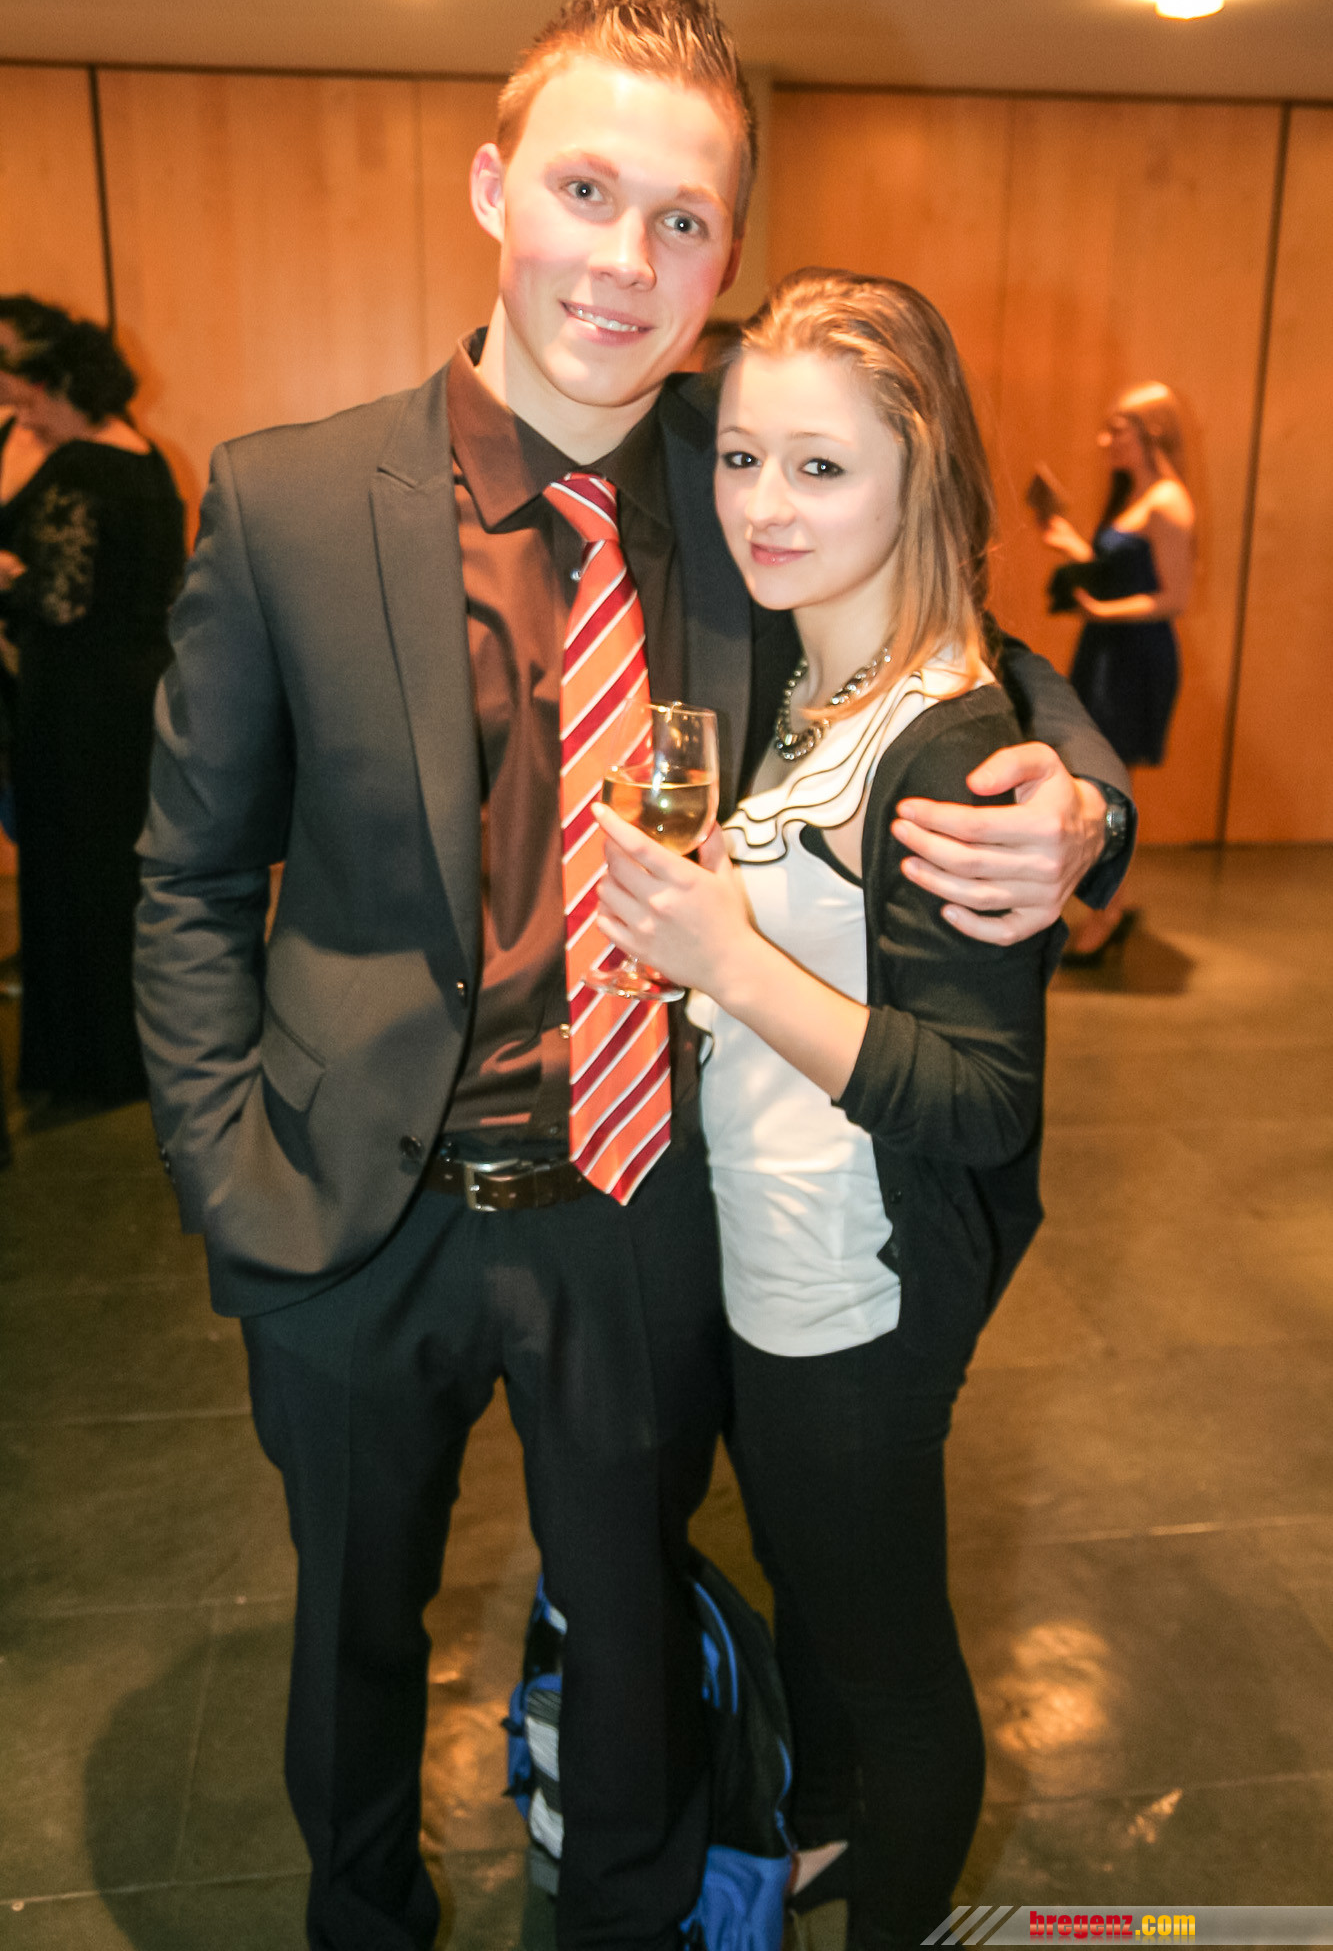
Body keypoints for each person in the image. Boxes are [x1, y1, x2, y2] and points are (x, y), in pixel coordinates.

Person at [133, 0, 1133, 1951]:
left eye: (682, 220)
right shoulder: (286, 500)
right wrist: (227, 1179)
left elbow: (972, 647)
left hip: (638, 1205)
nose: (623, 260)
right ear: (491, 187)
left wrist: (1083, 801)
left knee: (635, 1624)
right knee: (350, 1631)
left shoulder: (747, 480)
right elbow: (187, 878)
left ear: (726, 253)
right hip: (349, 1213)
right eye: (584, 191)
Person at [594, 269, 1058, 1950]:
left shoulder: (948, 745)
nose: (762, 507)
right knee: (818, 1603)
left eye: (819, 467)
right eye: (741, 459)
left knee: (891, 1664)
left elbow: (979, 1101)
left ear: (917, 477)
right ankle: (836, 1840)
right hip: (772, 1259)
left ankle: (894, 1906)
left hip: (855, 1292)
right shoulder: (811, 687)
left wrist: (725, 951)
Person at [0, 296, 183, 1107]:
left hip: (75, 699)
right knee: (118, 877)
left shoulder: (80, 470)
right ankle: (132, 1054)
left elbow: (61, 600)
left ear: (56, 387)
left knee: (72, 880)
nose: (19, 413)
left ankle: (86, 1065)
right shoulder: (144, 457)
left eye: (25, 397)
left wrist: (8, 580)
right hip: (134, 695)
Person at [1039, 382, 1194, 961]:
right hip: (1108, 649)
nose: (1106, 442)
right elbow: (1125, 571)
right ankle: (1108, 904)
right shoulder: (1140, 496)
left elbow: (1174, 597)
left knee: (1109, 786)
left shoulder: (1169, 503)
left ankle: (1107, 911)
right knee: (1100, 777)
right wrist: (1075, 548)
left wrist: (1103, 611)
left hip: (1133, 657)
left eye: (1117, 430)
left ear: (1151, 433)